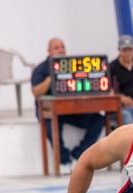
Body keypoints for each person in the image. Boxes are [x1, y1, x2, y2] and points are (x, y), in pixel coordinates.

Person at [31, 38, 105, 173]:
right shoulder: (40, 69)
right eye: (56, 48)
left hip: (71, 109)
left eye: (62, 47)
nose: (60, 50)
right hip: (49, 111)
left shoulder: (73, 65)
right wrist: (50, 78)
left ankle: (78, 155)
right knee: (50, 124)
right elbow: (36, 92)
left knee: (99, 119)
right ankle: (64, 160)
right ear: (49, 51)